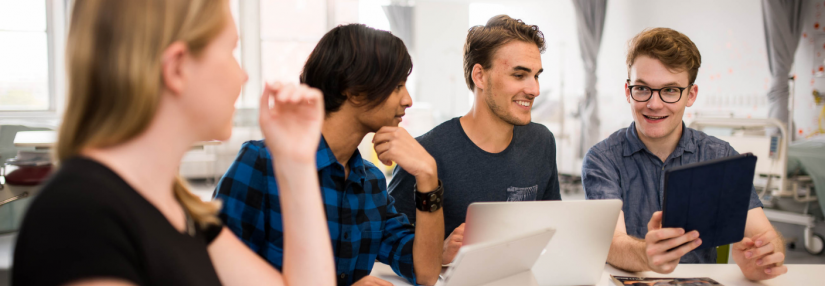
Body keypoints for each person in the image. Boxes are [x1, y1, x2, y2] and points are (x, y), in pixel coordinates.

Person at [12, 0, 335, 285]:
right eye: (231, 50)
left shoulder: (182, 213)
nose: (243, 75)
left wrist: (296, 161)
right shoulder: (80, 217)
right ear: (177, 67)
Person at [215, 24, 444, 286]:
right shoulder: (261, 164)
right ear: (354, 90)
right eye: (397, 86)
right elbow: (212, 275)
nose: (408, 100)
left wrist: (428, 175)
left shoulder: (370, 182)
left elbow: (425, 273)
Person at [582, 27, 787, 280]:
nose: (654, 104)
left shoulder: (720, 155)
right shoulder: (602, 159)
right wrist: (647, 254)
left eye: (670, 91)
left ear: (690, 95)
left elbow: (764, 236)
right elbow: (611, 243)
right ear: (628, 91)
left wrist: (763, 259)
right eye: (642, 89)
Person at [388, 14, 561, 265]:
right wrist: (439, 254)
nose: (535, 89)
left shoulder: (541, 141)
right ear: (479, 76)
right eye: (519, 75)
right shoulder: (426, 152)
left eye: (536, 75)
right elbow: (384, 240)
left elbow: (554, 227)